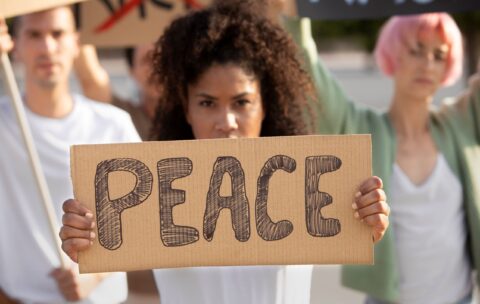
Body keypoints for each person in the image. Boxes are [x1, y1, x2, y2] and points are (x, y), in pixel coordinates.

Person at [59, 2, 390, 304]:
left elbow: (356, 229)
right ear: (185, 109)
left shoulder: (304, 186)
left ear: (265, 106)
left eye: (241, 102)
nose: (226, 121)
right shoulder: (156, 194)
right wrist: (86, 237)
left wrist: (365, 220)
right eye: (207, 103)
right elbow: (108, 255)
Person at [283, 9, 479, 304]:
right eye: (416, 50)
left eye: (439, 55)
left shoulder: (461, 122)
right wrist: (295, 15)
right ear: (392, 54)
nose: (427, 63)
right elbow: (308, 72)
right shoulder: (362, 129)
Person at [0, 6, 140, 303]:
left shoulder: (113, 124)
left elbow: (145, 222)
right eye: (34, 35)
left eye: (58, 34)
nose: (47, 47)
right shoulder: (3, 122)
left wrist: (95, 274)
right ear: (15, 45)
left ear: (76, 44)